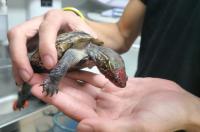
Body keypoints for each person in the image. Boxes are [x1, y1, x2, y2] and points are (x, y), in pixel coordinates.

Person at [7, 0, 200, 131]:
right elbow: (121, 34)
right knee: (28, 80)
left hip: (164, 107)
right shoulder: (84, 50)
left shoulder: (85, 55)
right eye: (112, 73)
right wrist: (69, 15)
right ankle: (22, 98)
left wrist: (193, 112)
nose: (112, 77)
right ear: (103, 64)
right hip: (131, 98)